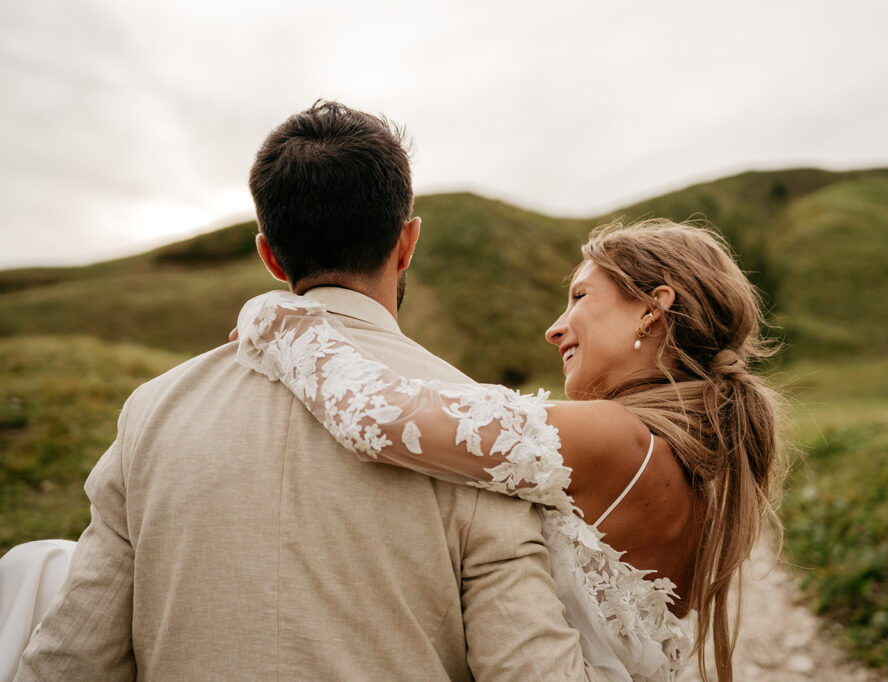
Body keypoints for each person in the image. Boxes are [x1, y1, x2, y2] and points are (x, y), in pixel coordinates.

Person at [12, 101, 604, 681]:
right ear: (407, 243)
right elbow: (529, 667)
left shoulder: (151, 411)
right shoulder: (476, 424)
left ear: (270, 255)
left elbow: (71, 658)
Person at [233, 218, 787, 682]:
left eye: (579, 297)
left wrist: (278, 320)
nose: (555, 328)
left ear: (652, 309)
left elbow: (376, 417)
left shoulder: (618, 438)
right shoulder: (686, 464)